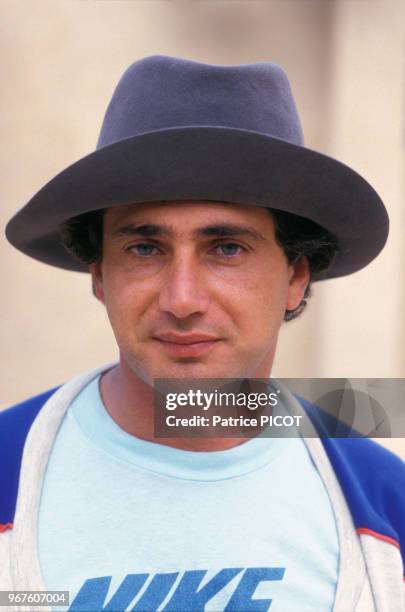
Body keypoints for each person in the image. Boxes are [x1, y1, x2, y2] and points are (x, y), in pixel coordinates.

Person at [1, 55, 404, 612]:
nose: (182, 300)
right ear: (100, 275)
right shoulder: (8, 470)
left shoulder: (387, 505)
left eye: (227, 249)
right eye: (145, 248)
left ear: (296, 275)